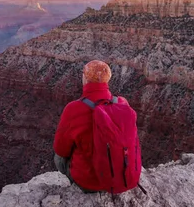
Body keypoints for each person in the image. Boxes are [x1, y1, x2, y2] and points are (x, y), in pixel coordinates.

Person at [53, 60, 137, 192]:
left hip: (89, 183)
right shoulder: (122, 103)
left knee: (58, 157)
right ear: (108, 79)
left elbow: (61, 149)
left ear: (85, 78)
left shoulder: (73, 109)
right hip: (119, 178)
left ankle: (75, 186)